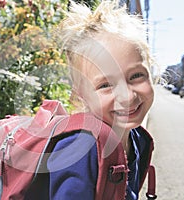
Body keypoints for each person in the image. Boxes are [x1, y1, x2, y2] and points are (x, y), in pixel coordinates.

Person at [42, 1, 155, 199]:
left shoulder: (137, 138)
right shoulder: (79, 150)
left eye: (136, 76)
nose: (127, 96)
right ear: (81, 95)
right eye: (105, 85)